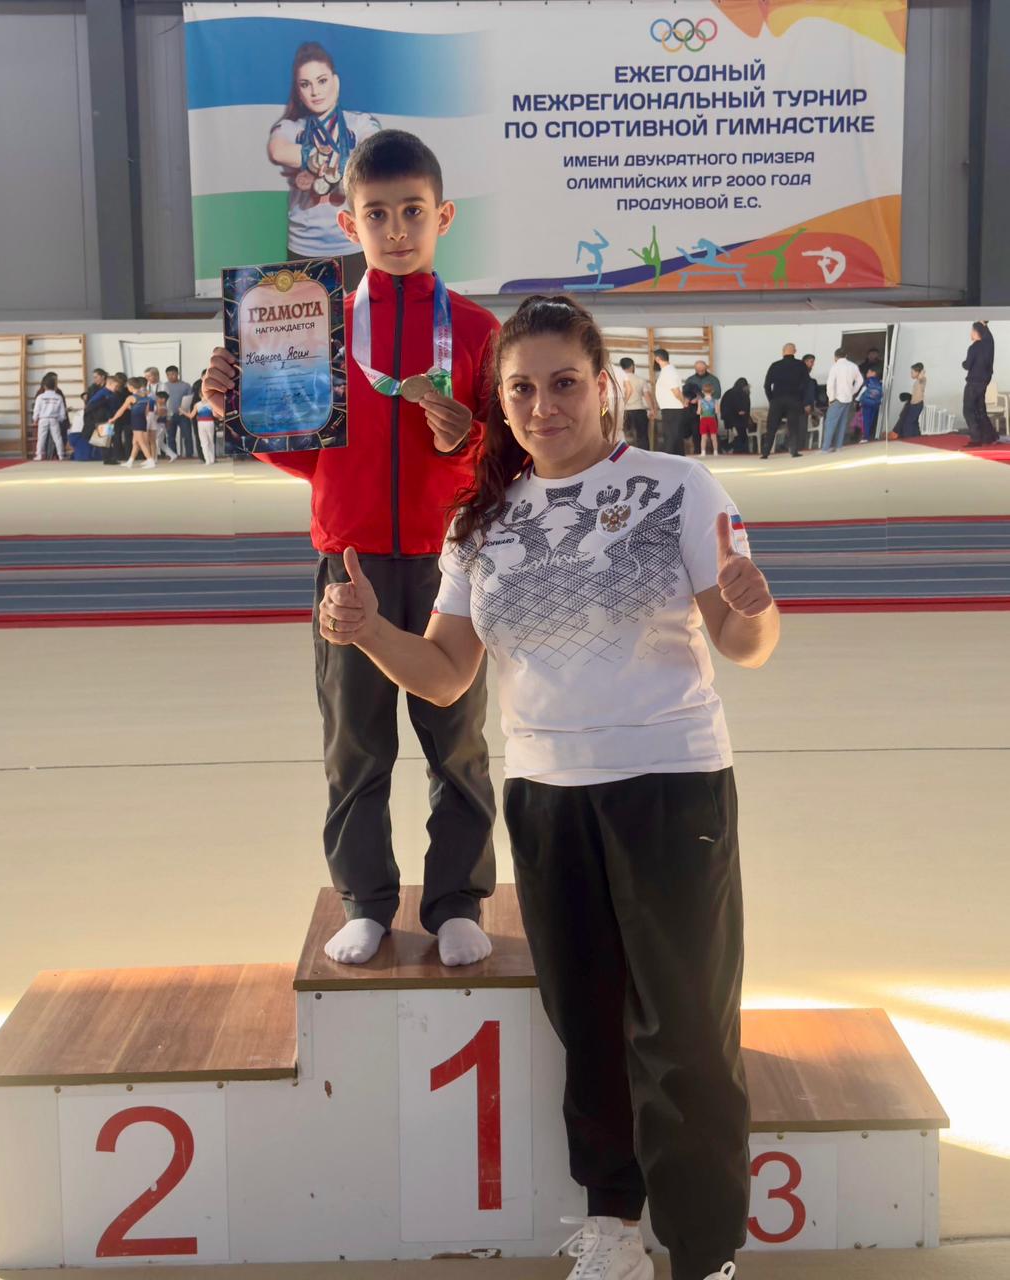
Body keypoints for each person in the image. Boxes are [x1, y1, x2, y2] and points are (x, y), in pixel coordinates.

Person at [318, 295, 779, 1280]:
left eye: (564, 383)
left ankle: (703, 1253)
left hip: (670, 787)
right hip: (545, 797)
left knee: (687, 1028)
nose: (543, 405)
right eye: (521, 389)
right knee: (587, 1021)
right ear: (500, 401)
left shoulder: (678, 486)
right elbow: (446, 673)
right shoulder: (478, 522)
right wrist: (367, 631)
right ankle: (612, 1224)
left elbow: (744, 643)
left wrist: (753, 610)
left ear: (604, 386)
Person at [204, 130, 497, 968]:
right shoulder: (316, 326)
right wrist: (239, 410)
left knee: (458, 744)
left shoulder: (477, 330)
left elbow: (507, 457)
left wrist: (467, 441)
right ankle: (366, 900)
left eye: (413, 212)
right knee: (355, 746)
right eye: (377, 214)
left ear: (443, 216)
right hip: (351, 564)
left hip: (452, 563)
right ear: (347, 222)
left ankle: (457, 902)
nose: (396, 230)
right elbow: (307, 452)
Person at [268, 41, 382, 290]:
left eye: (322, 81)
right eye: (305, 84)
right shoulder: (291, 127)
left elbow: (373, 149)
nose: (315, 92)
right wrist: (316, 157)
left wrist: (332, 167)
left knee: (361, 314)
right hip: (305, 247)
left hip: (356, 243)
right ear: (298, 91)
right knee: (310, 316)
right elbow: (277, 150)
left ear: (336, 82)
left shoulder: (360, 123)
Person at [760, 343, 808, 458]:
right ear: (795, 351)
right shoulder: (800, 365)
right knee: (793, 426)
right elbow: (805, 384)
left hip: (777, 399)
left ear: (783, 352)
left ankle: (765, 453)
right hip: (794, 399)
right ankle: (794, 451)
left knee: (771, 427)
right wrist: (800, 398)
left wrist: (771, 399)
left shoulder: (775, 365)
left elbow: (767, 385)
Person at [104, 377, 155, 469]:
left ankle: (150, 460)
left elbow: (121, 410)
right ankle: (130, 461)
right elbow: (147, 410)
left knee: (141, 442)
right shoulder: (145, 397)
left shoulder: (131, 398)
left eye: (128, 387)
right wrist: (134, 409)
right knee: (135, 442)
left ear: (131, 387)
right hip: (143, 420)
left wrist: (113, 418)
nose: (127, 388)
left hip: (136, 421)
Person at [962, 321, 997, 448]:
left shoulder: (973, 348)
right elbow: (989, 337)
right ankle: (990, 436)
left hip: (973, 382)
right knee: (981, 410)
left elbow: (967, 365)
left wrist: (963, 363)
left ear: (976, 332)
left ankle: (976, 438)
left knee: (969, 410)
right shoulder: (988, 346)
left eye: (972, 330)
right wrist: (985, 325)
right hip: (983, 383)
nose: (970, 333)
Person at [822, 348, 864, 452]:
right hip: (848, 398)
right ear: (846, 356)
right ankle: (838, 446)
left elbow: (830, 384)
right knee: (842, 422)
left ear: (835, 357)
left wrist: (831, 398)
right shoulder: (853, 366)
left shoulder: (835, 367)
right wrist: (852, 391)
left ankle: (826, 448)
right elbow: (860, 380)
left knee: (830, 423)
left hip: (837, 398)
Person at [616, 357, 653, 450]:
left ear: (621, 367)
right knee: (642, 436)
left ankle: (625, 455)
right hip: (639, 410)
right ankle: (644, 455)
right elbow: (647, 396)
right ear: (632, 366)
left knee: (625, 436)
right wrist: (652, 409)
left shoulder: (617, 380)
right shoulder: (640, 380)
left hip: (624, 411)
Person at [654, 348, 685, 455]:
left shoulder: (669, 372)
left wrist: (683, 402)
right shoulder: (666, 371)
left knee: (671, 436)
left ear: (657, 359)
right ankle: (678, 458)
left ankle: (670, 457)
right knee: (674, 436)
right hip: (669, 407)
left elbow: (676, 391)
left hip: (673, 408)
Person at [33, 374, 67, 462]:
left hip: (43, 419)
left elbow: (36, 409)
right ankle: (61, 455)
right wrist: (60, 419)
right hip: (54, 419)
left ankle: (39, 455)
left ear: (44, 386)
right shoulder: (58, 397)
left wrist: (35, 418)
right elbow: (62, 412)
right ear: (55, 386)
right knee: (57, 438)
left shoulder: (40, 397)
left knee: (41, 438)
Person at [161, 366, 193, 457]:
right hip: (169, 415)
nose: (170, 376)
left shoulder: (186, 385)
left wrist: (185, 409)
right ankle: (173, 455)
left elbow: (190, 398)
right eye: (168, 375)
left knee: (187, 436)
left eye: (173, 374)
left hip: (183, 414)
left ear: (177, 374)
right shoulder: (164, 386)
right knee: (170, 437)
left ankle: (189, 455)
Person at [892, 363, 926, 439]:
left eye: (912, 372)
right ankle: (917, 437)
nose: (911, 374)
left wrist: (921, 371)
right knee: (914, 422)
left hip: (917, 405)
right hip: (913, 404)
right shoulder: (917, 381)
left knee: (908, 423)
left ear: (918, 372)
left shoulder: (923, 380)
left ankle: (907, 438)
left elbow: (921, 377)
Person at [720, 378, 752, 454]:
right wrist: (739, 412)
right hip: (736, 419)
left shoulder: (729, 392)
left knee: (741, 436)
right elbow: (742, 408)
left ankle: (728, 447)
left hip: (730, 419)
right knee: (742, 436)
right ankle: (730, 448)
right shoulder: (740, 393)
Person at [859, 366, 883, 443]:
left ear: (873, 373)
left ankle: (865, 437)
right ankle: (869, 435)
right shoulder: (880, 382)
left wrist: (857, 399)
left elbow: (863, 390)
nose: (867, 373)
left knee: (865, 420)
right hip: (875, 404)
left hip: (867, 403)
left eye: (868, 372)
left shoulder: (868, 381)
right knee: (871, 420)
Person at [193, 397, 218, 465]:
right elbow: (191, 415)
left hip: (206, 422)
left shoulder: (209, 404)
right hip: (205, 423)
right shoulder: (198, 404)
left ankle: (210, 460)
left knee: (208, 442)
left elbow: (215, 414)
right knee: (207, 442)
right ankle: (209, 459)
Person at [698, 380, 720, 456]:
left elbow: (698, 412)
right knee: (713, 437)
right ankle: (715, 452)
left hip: (703, 419)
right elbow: (717, 411)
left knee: (703, 437)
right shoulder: (715, 401)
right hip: (712, 419)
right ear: (712, 391)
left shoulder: (701, 401)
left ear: (702, 391)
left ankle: (703, 452)